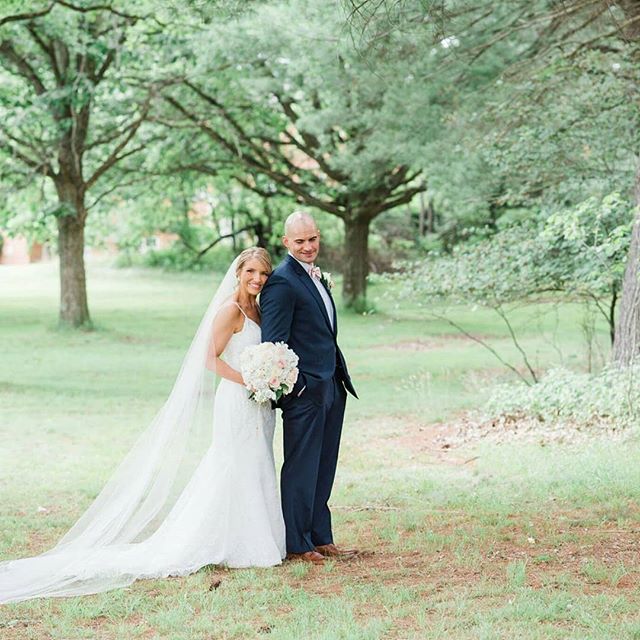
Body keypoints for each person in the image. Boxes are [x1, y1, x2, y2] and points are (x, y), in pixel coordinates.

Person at [0, 248, 285, 604]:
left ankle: (254, 536)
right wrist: (248, 379)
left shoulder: (259, 308)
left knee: (257, 463)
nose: (257, 279)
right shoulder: (231, 310)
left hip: (258, 403)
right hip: (236, 400)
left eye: (263, 274)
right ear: (239, 272)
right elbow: (207, 358)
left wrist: (268, 378)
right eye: (252, 272)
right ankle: (234, 543)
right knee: (232, 464)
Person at [261, 212, 358, 565]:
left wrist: (331, 380)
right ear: (286, 242)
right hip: (305, 393)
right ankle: (298, 543)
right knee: (302, 467)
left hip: (332, 384)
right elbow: (273, 344)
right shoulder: (282, 282)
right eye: (299, 241)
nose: (308, 247)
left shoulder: (317, 278)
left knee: (324, 464)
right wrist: (298, 388)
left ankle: (321, 536)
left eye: (312, 239)